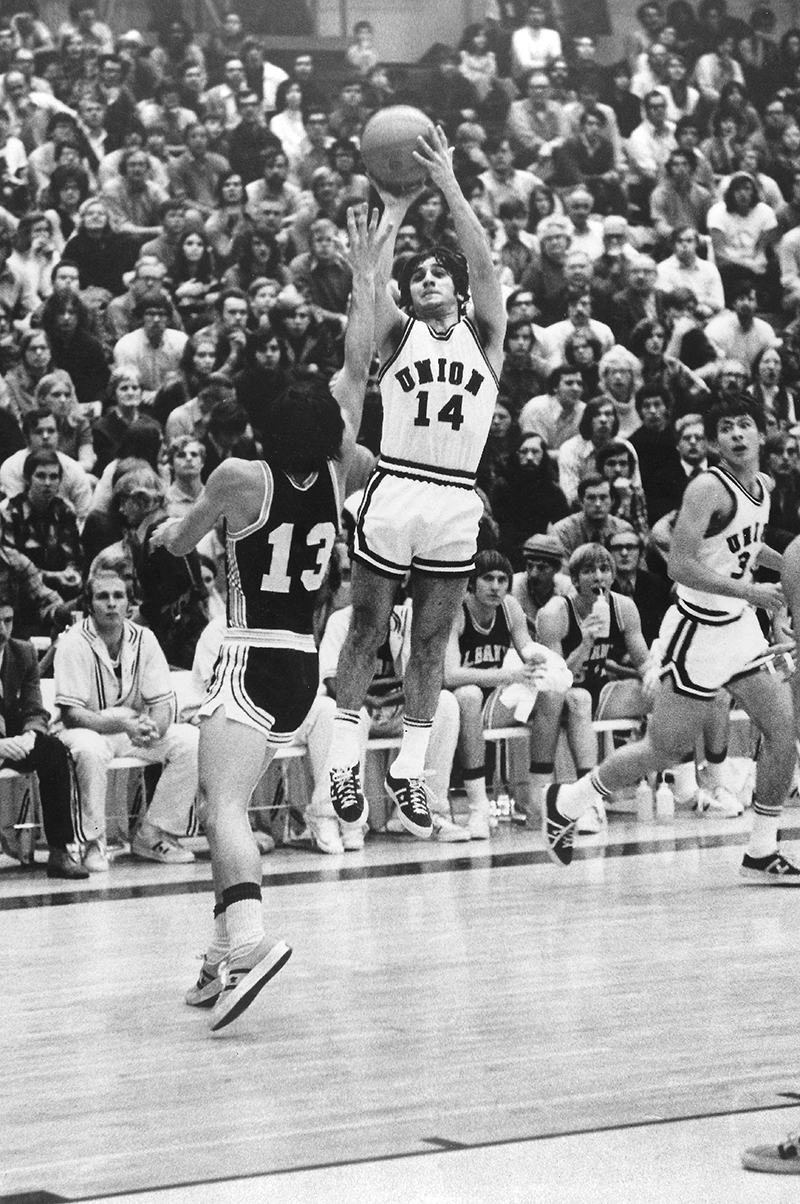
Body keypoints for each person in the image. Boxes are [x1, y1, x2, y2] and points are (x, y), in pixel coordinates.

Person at [148, 205, 382, 1031]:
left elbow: (179, 542)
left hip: (248, 657)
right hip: (303, 664)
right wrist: (365, 276)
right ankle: (218, 959)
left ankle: (247, 940)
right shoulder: (344, 468)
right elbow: (356, 371)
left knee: (224, 808)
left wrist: (168, 526)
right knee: (229, 805)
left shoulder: (241, 476)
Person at [326, 125, 506, 842]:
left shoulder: (486, 335)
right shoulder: (400, 336)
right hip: (397, 484)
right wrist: (393, 212)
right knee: (367, 626)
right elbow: (370, 290)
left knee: (431, 640)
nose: (428, 281)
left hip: (456, 496)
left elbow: (486, 263)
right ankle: (343, 761)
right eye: (419, 275)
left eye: (440, 275)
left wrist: (449, 183)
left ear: (458, 289)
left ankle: (408, 767)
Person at [542, 393, 800, 883]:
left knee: (783, 731)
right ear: (713, 439)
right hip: (698, 629)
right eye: (726, 428)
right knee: (663, 749)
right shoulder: (706, 488)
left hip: (740, 627)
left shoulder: (762, 485)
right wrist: (754, 591)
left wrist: (780, 568)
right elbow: (680, 565)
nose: (737, 435)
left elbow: (744, 544)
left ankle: (763, 850)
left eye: (745, 425)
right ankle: (571, 799)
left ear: (763, 434)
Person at [54, 568, 199, 874]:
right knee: (88, 750)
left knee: (191, 741)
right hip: (85, 730)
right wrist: (124, 725)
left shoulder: (144, 638)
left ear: (129, 603)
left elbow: (161, 703)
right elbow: (71, 714)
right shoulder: (72, 640)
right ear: (89, 604)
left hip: (131, 730)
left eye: (118, 596)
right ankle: (92, 844)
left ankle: (153, 833)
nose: (111, 603)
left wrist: (153, 728)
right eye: (102, 597)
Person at [444, 549, 570, 834]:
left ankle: (540, 799)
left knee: (552, 692)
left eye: (503, 579)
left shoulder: (510, 606)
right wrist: (508, 674)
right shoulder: (456, 611)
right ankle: (479, 806)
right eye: (488, 578)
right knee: (468, 694)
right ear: (471, 582)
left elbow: (526, 649)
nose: (496, 586)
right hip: (462, 705)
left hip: (497, 700)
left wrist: (541, 661)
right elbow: (450, 675)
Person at [0, 592, 87, 878]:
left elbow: (35, 708)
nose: (2, 628)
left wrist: (30, 736)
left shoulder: (21, 652)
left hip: (15, 741)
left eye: (7, 620)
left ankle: (60, 852)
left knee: (53, 749)